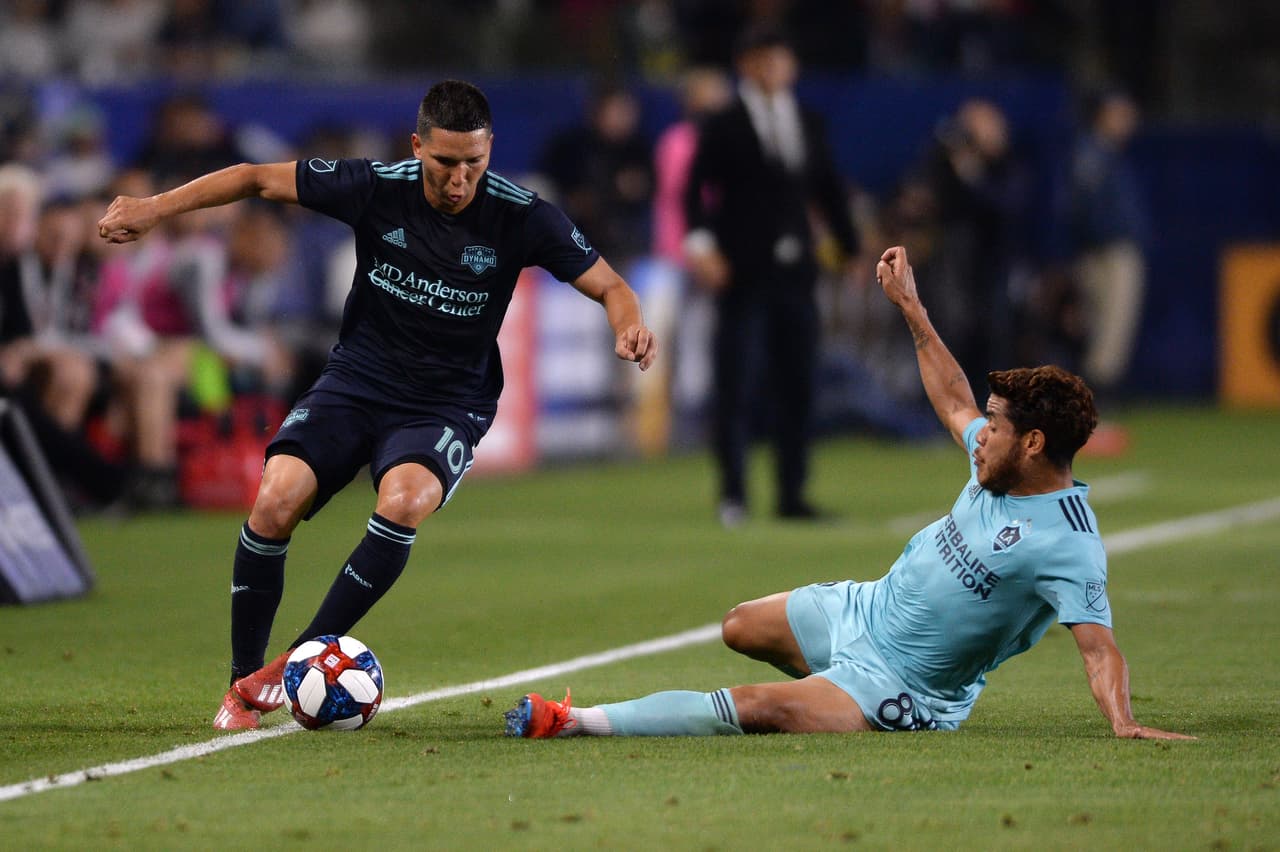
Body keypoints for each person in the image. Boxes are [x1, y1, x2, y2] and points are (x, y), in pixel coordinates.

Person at [97, 80, 657, 730]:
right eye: (445, 163)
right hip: (358, 381)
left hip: (447, 402)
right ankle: (241, 684)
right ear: (418, 146)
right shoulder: (375, 185)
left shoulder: (522, 214)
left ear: (490, 151)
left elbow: (611, 283)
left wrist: (630, 324)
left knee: (403, 500)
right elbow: (254, 178)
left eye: (474, 163)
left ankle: (296, 660)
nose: (459, 179)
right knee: (275, 499)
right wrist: (152, 207)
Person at [504, 245, 1191, 742]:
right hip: (862, 610)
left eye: (996, 428)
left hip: (904, 687)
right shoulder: (1000, 459)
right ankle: (823, 692)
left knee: (758, 706)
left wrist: (1124, 722)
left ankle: (576, 722)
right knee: (738, 625)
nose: (978, 435)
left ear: (1035, 444)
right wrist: (911, 308)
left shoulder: (1067, 543)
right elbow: (951, 397)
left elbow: (1099, 650)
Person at [682, 26, 860, 526]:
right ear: (746, 66)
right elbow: (695, 191)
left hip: (797, 273)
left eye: (780, 60)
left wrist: (849, 248)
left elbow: (827, 190)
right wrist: (703, 249)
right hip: (740, 272)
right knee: (736, 384)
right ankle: (733, 493)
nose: (772, 70)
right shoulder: (723, 122)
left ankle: (792, 494)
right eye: (763, 60)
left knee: (798, 383)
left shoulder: (808, 120)